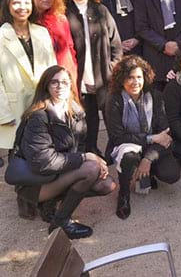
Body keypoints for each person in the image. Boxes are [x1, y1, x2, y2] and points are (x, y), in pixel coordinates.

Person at [13, 66, 115, 238]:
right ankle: (60, 222)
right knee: (90, 169)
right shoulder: (38, 117)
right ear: (46, 86)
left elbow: (80, 147)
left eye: (64, 82)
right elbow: (42, 162)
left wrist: (93, 159)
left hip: (60, 173)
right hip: (35, 182)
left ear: (70, 86)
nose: (60, 86)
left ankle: (49, 206)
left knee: (106, 184)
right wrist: (86, 159)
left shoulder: (76, 112)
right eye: (54, 82)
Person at [105, 56, 181, 220]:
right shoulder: (114, 100)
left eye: (138, 77)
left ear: (145, 78)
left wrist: (147, 159)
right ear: (121, 79)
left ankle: (148, 171)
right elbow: (118, 137)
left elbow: (165, 133)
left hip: (152, 147)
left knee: (172, 174)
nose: (135, 82)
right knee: (130, 157)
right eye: (130, 77)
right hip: (127, 144)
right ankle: (124, 194)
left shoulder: (155, 96)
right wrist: (151, 138)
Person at [61, 0, 123, 157]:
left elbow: (115, 42)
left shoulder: (101, 10)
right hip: (77, 74)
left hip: (103, 72)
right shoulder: (63, 11)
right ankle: (90, 148)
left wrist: (114, 66)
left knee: (110, 113)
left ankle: (115, 150)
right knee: (87, 116)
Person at [0, 0, 57, 154]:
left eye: (26, 2)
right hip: (14, 107)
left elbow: (52, 69)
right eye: (16, 3)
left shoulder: (42, 32)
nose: (22, 7)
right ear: (8, 6)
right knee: (19, 159)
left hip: (42, 104)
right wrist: (3, 114)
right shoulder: (1, 36)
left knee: (44, 153)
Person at [25, 0, 79, 93]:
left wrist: (72, 73)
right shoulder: (24, 21)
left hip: (64, 76)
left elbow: (70, 48)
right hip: (38, 80)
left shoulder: (60, 19)